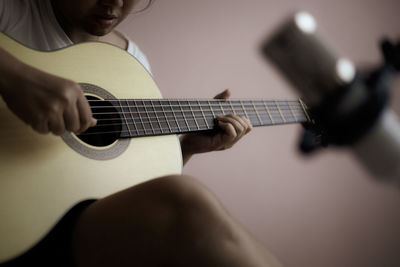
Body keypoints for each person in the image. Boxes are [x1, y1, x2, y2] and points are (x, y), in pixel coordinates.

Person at [0, 0, 282, 266]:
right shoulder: (13, 13)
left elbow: (122, 184)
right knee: (187, 199)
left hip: (80, 226)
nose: (114, 2)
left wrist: (184, 148)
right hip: (13, 223)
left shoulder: (131, 61)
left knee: (186, 207)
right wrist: (16, 76)